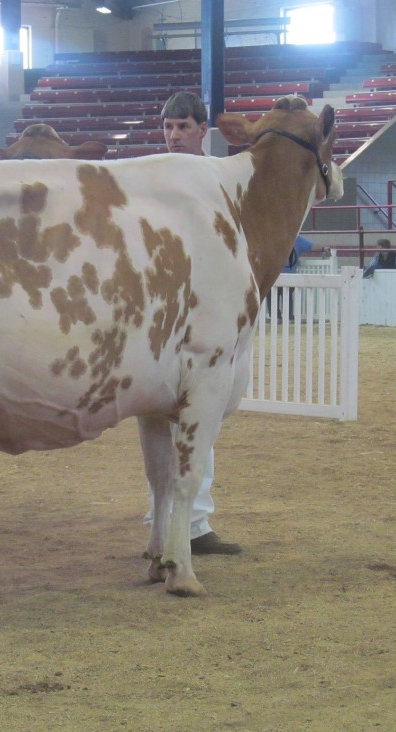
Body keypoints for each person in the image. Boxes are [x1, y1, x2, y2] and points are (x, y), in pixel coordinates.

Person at [145, 91, 241, 556]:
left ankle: (195, 523)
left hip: (205, 313)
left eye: (183, 126)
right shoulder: (149, 178)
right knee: (153, 421)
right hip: (152, 315)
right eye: (168, 126)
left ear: (205, 130)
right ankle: (164, 523)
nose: (174, 134)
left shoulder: (221, 180)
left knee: (201, 418)